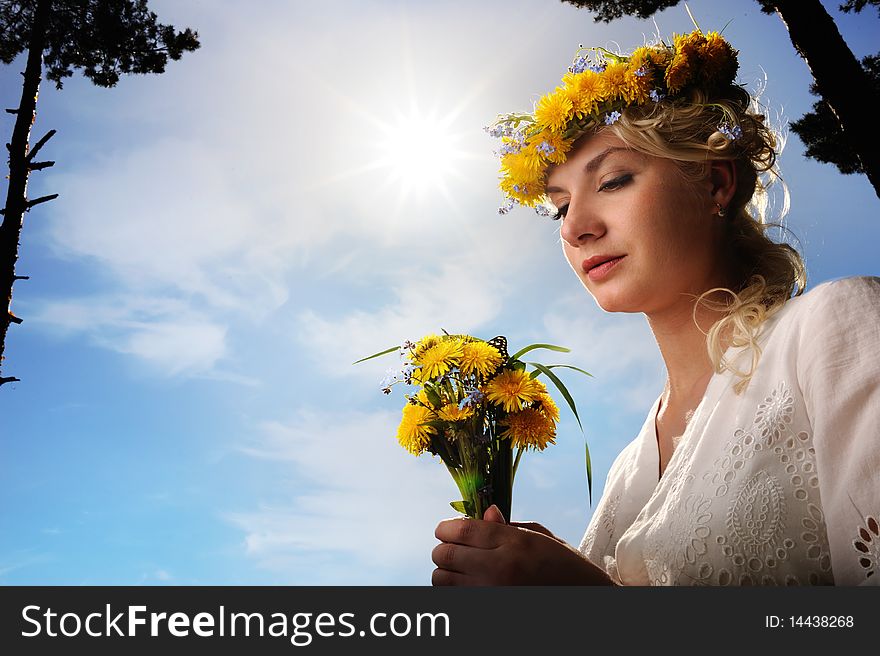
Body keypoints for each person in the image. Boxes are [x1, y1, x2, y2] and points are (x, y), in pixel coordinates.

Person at [431, 28, 880, 586]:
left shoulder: (838, 329)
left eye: (614, 180)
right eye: (559, 207)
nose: (575, 227)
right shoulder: (629, 467)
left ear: (715, 183)